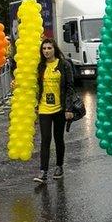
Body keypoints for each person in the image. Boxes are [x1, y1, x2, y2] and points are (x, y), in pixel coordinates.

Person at [32, 38, 76, 184]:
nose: (46, 51)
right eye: (44, 48)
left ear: (54, 49)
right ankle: (43, 171)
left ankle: (59, 166)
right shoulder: (40, 66)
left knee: (58, 138)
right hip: (44, 108)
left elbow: (70, 87)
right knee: (45, 139)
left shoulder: (64, 65)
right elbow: (35, 85)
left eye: (49, 48)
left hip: (60, 108)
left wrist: (69, 108)